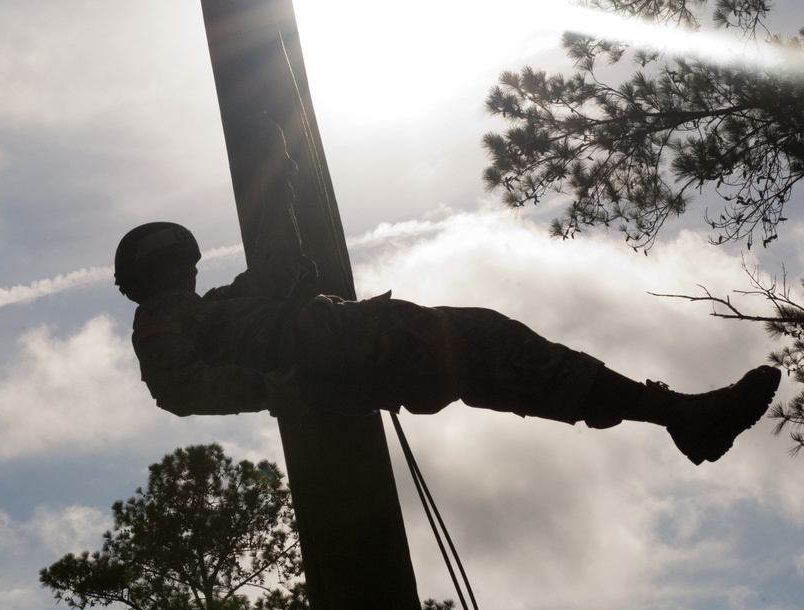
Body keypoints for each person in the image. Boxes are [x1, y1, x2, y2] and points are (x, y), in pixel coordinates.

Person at [115, 132, 780, 466]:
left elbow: (281, 267)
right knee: (498, 353)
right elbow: (181, 387)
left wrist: (280, 177)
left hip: (355, 337)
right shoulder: (166, 317)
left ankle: (677, 414)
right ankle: (676, 415)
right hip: (340, 353)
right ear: (157, 273)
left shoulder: (227, 303)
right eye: (173, 263)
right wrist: (278, 388)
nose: (184, 270)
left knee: (503, 352)